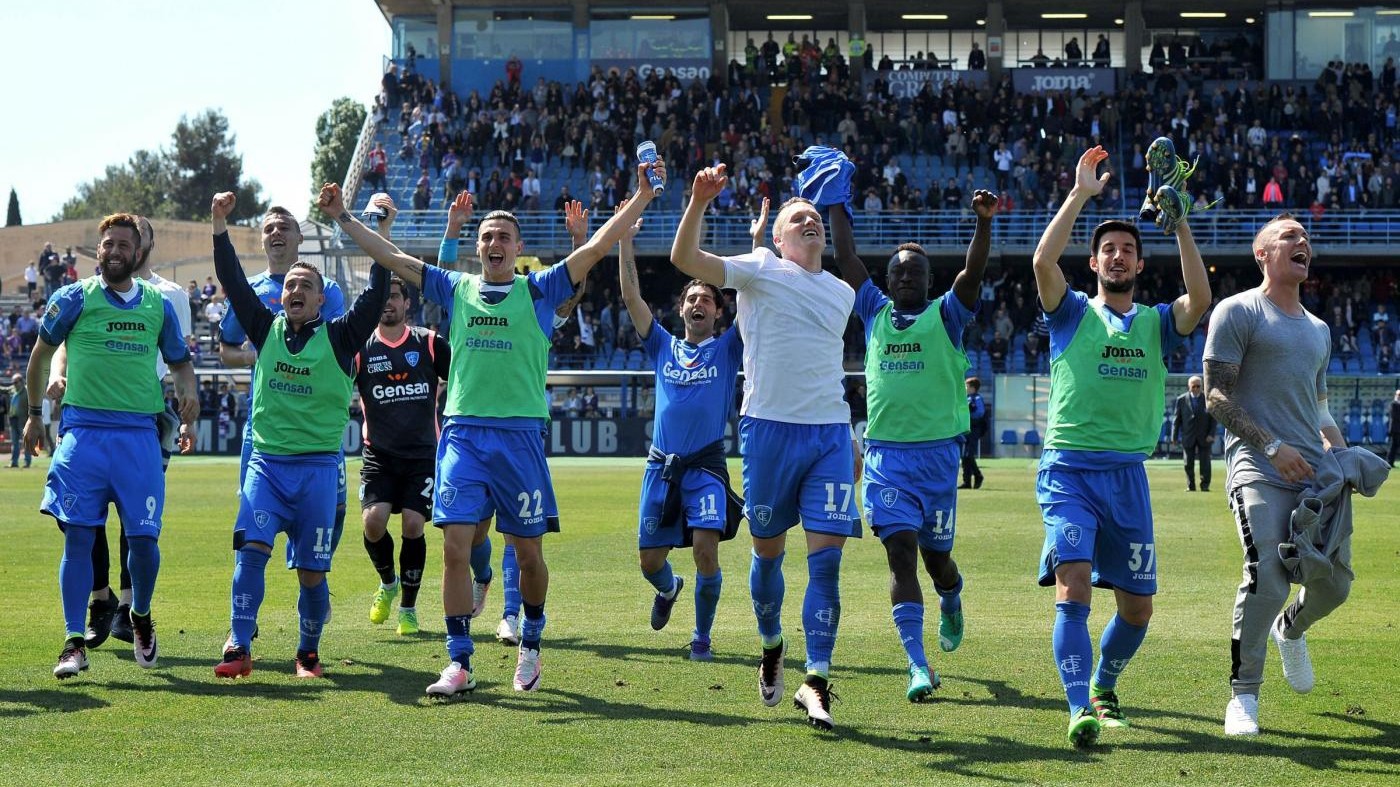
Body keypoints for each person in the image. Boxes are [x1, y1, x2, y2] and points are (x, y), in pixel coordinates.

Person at [321, 156, 665, 698]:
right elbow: (391, 256)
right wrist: (344, 217)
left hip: (520, 439)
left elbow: (595, 248)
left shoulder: (540, 289)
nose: (493, 242)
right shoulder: (456, 289)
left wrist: (642, 197)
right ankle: (460, 660)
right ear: (479, 248)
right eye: (486, 236)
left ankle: (530, 641)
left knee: (528, 554)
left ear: (516, 246)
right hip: (461, 435)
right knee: (455, 547)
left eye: (503, 235)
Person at [670, 161, 860, 732]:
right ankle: (772, 643)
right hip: (767, 432)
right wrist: (700, 201)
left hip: (828, 433)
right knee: (768, 554)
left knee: (827, 565)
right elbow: (686, 259)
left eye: (815, 217)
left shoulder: (842, 292)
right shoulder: (758, 271)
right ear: (776, 240)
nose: (811, 223)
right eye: (797, 218)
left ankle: (817, 680)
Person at [1032, 146, 1210, 746]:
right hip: (1070, 473)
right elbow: (1041, 262)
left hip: (1128, 478)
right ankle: (1080, 705)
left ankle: (1105, 685)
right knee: (1074, 583)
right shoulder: (1070, 313)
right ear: (1094, 261)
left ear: (1139, 264)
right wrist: (1081, 194)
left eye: (1128, 249)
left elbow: (1200, 303)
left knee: (1138, 611)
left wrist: (1179, 219)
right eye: (1108, 248)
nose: (1117, 255)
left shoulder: (1158, 322)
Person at [1204, 213, 1388, 736]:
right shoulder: (1238, 311)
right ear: (1263, 253)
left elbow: (1321, 408)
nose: (1302, 242)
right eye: (1289, 236)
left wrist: (1342, 459)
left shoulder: (1320, 330)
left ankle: (1291, 630)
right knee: (1267, 574)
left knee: (1335, 586)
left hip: (1315, 474)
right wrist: (1271, 445)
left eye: (1305, 237)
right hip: (1258, 466)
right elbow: (1216, 395)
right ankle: (1244, 695)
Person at [830, 164, 998, 703]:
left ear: (928, 281)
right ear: (888, 279)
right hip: (885, 460)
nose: (905, 277)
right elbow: (846, 259)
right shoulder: (874, 311)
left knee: (936, 560)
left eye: (915, 273)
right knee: (900, 553)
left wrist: (983, 224)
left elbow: (971, 274)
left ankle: (952, 594)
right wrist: (836, 198)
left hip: (938, 462)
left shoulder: (947, 315)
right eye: (898, 271)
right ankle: (918, 664)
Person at [210, 191, 388, 680]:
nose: (294, 289)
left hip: (316, 470)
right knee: (251, 552)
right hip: (267, 465)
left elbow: (375, 295)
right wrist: (219, 226)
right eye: (289, 284)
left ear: (320, 298)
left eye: (304, 284)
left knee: (312, 573)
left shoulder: (340, 337)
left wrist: (379, 234)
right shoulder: (263, 329)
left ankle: (307, 653)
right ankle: (239, 646)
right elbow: (231, 281)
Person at [27, 213, 198, 679]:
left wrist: (190, 395)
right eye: (109, 244)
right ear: (98, 250)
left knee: (143, 541)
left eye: (125, 243)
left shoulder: (156, 304)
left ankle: (139, 614)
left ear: (138, 251)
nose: (116, 250)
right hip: (83, 435)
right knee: (79, 537)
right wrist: (34, 415)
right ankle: (73, 641)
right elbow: (42, 354)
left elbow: (181, 364)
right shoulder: (73, 298)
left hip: (139, 438)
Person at [621, 203, 744, 662]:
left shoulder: (730, 348)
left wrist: (755, 245)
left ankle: (701, 637)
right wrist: (624, 240)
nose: (697, 304)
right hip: (661, 467)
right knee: (649, 561)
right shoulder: (662, 345)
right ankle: (669, 588)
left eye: (706, 300)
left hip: (706, 468)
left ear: (718, 313)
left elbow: (754, 296)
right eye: (691, 299)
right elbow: (632, 297)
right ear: (681, 309)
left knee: (706, 551)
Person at [219, 203, 349, 623]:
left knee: (332, 517)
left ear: (298, 238)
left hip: (316, 436)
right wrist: (263, 353)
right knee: (251, 532)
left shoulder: (328, 289)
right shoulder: (251, 291)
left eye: (285, 227)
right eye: (269, 227)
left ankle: (312, 597)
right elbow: (226, 350)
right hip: (265, 432)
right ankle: (243, 628)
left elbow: (331, 346)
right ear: (263, 239)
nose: (276, 232)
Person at [354, 195, 452, 637]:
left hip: (422, 454)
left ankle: (409, 610)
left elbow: (462, 381)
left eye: (396, 295)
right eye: (383, 295)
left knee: (414, 523)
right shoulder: (358, 349)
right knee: (373, 524)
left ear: (408, 303)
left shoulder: (430, 343)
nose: (388, 302)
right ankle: (388, 584)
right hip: (379, 453)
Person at [1172, 375, 1216, 491]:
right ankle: (1190, 486)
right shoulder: (1181, 400)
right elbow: (1177, 420)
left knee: (1205, 464)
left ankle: (1205, 486)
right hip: (1188, 436)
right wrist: (1174, 437)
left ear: (1202, 386)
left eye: (1198, 386)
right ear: (1189, 386)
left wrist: (1211, 434)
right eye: (1194, 386)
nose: (1196, 388)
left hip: (1205, 437)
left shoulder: (1208, 399)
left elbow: (1213, 419)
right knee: (1188, 464)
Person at [962, 377, 987, 489]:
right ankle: (967, 482)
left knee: (968, 454)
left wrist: (969, 414)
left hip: (973, 429)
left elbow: (980, 413)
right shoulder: (966, 398)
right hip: (965, 429)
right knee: (964, 456)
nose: (965, 388)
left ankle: (978, 475)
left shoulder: (977, 398)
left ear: (972, 388)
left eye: (966, 386)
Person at [8, 372, 33, 468]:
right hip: (12, 419)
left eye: (15, 382)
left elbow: (30, 407)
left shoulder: (27, 391)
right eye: (13, 382)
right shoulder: (12, 390)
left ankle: (27, 462)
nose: (14, 384)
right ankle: (14, 462)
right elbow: (3, 390)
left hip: (23, 420)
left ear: (21, 381)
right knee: (14, 443)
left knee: (25, 442)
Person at [1389, 389, 1400, 466]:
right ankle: (1390, 462)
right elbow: (1395, 416)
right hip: (1395, 429)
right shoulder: (1394, 404)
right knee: (1393, 446)